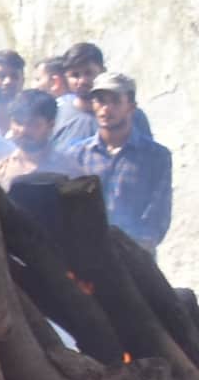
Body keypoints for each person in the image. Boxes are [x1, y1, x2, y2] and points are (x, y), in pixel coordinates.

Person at [70, 72, 173, 252]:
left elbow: (158, 214)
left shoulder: (155, 157)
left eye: (115, 101)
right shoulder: (77, 155)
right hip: (87, 255)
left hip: (136, 256)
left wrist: (138, 248)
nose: (106, 109)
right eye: (100, 101)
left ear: (131, 107)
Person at [53, 42, 153, 148]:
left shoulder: (131, 115)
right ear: (66, 78)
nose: (82, 81)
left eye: (88, 73)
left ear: (103, 71)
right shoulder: (56, 114)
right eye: (75, 75)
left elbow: (150, 155)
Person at [0, 90, 81, 184]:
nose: (23, 130)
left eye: (32, 123)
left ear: (50, 125)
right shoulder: (0, 171)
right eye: (18, 122)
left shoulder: (69, 172)